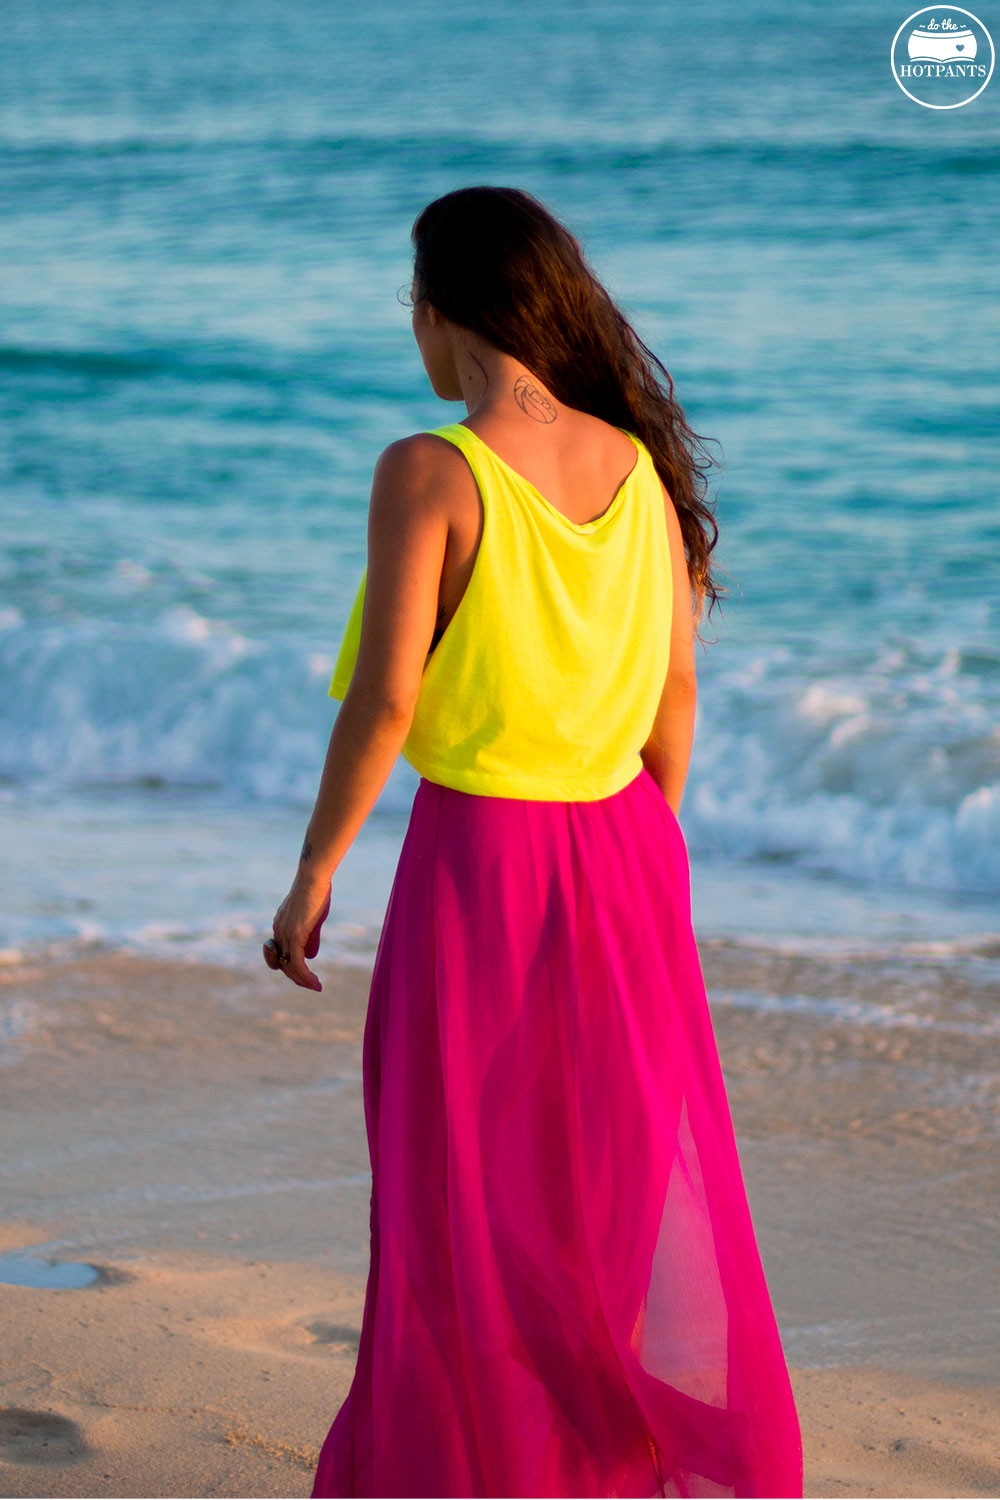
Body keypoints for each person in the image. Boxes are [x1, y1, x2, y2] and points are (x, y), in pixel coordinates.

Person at [263, 186, 803, 1499]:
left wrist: (313, 876)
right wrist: (632, 863)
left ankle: (475, 1469)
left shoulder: (431, 470)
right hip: (627, 853)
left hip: (482, 863)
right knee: (597, 1194)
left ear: (443, 313)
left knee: (460, 1199)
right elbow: (674, 704)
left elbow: (391, 701)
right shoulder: (642, 475)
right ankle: (591, 1460)